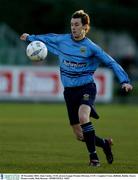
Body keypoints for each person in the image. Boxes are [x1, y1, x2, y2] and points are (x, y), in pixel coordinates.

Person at [20, 10, 133, 167]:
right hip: (69, 92)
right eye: (72, 24)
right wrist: (30, 38)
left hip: (86, 88)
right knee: (80, 135)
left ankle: (94, 158)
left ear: (85, 27)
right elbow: (48, 37)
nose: (73, 28)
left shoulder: (91, 48)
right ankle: (105, 144)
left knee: (83, 117)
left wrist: (124, 81)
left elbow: (111, 62)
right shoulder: (63, 40)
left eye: (77, 25)